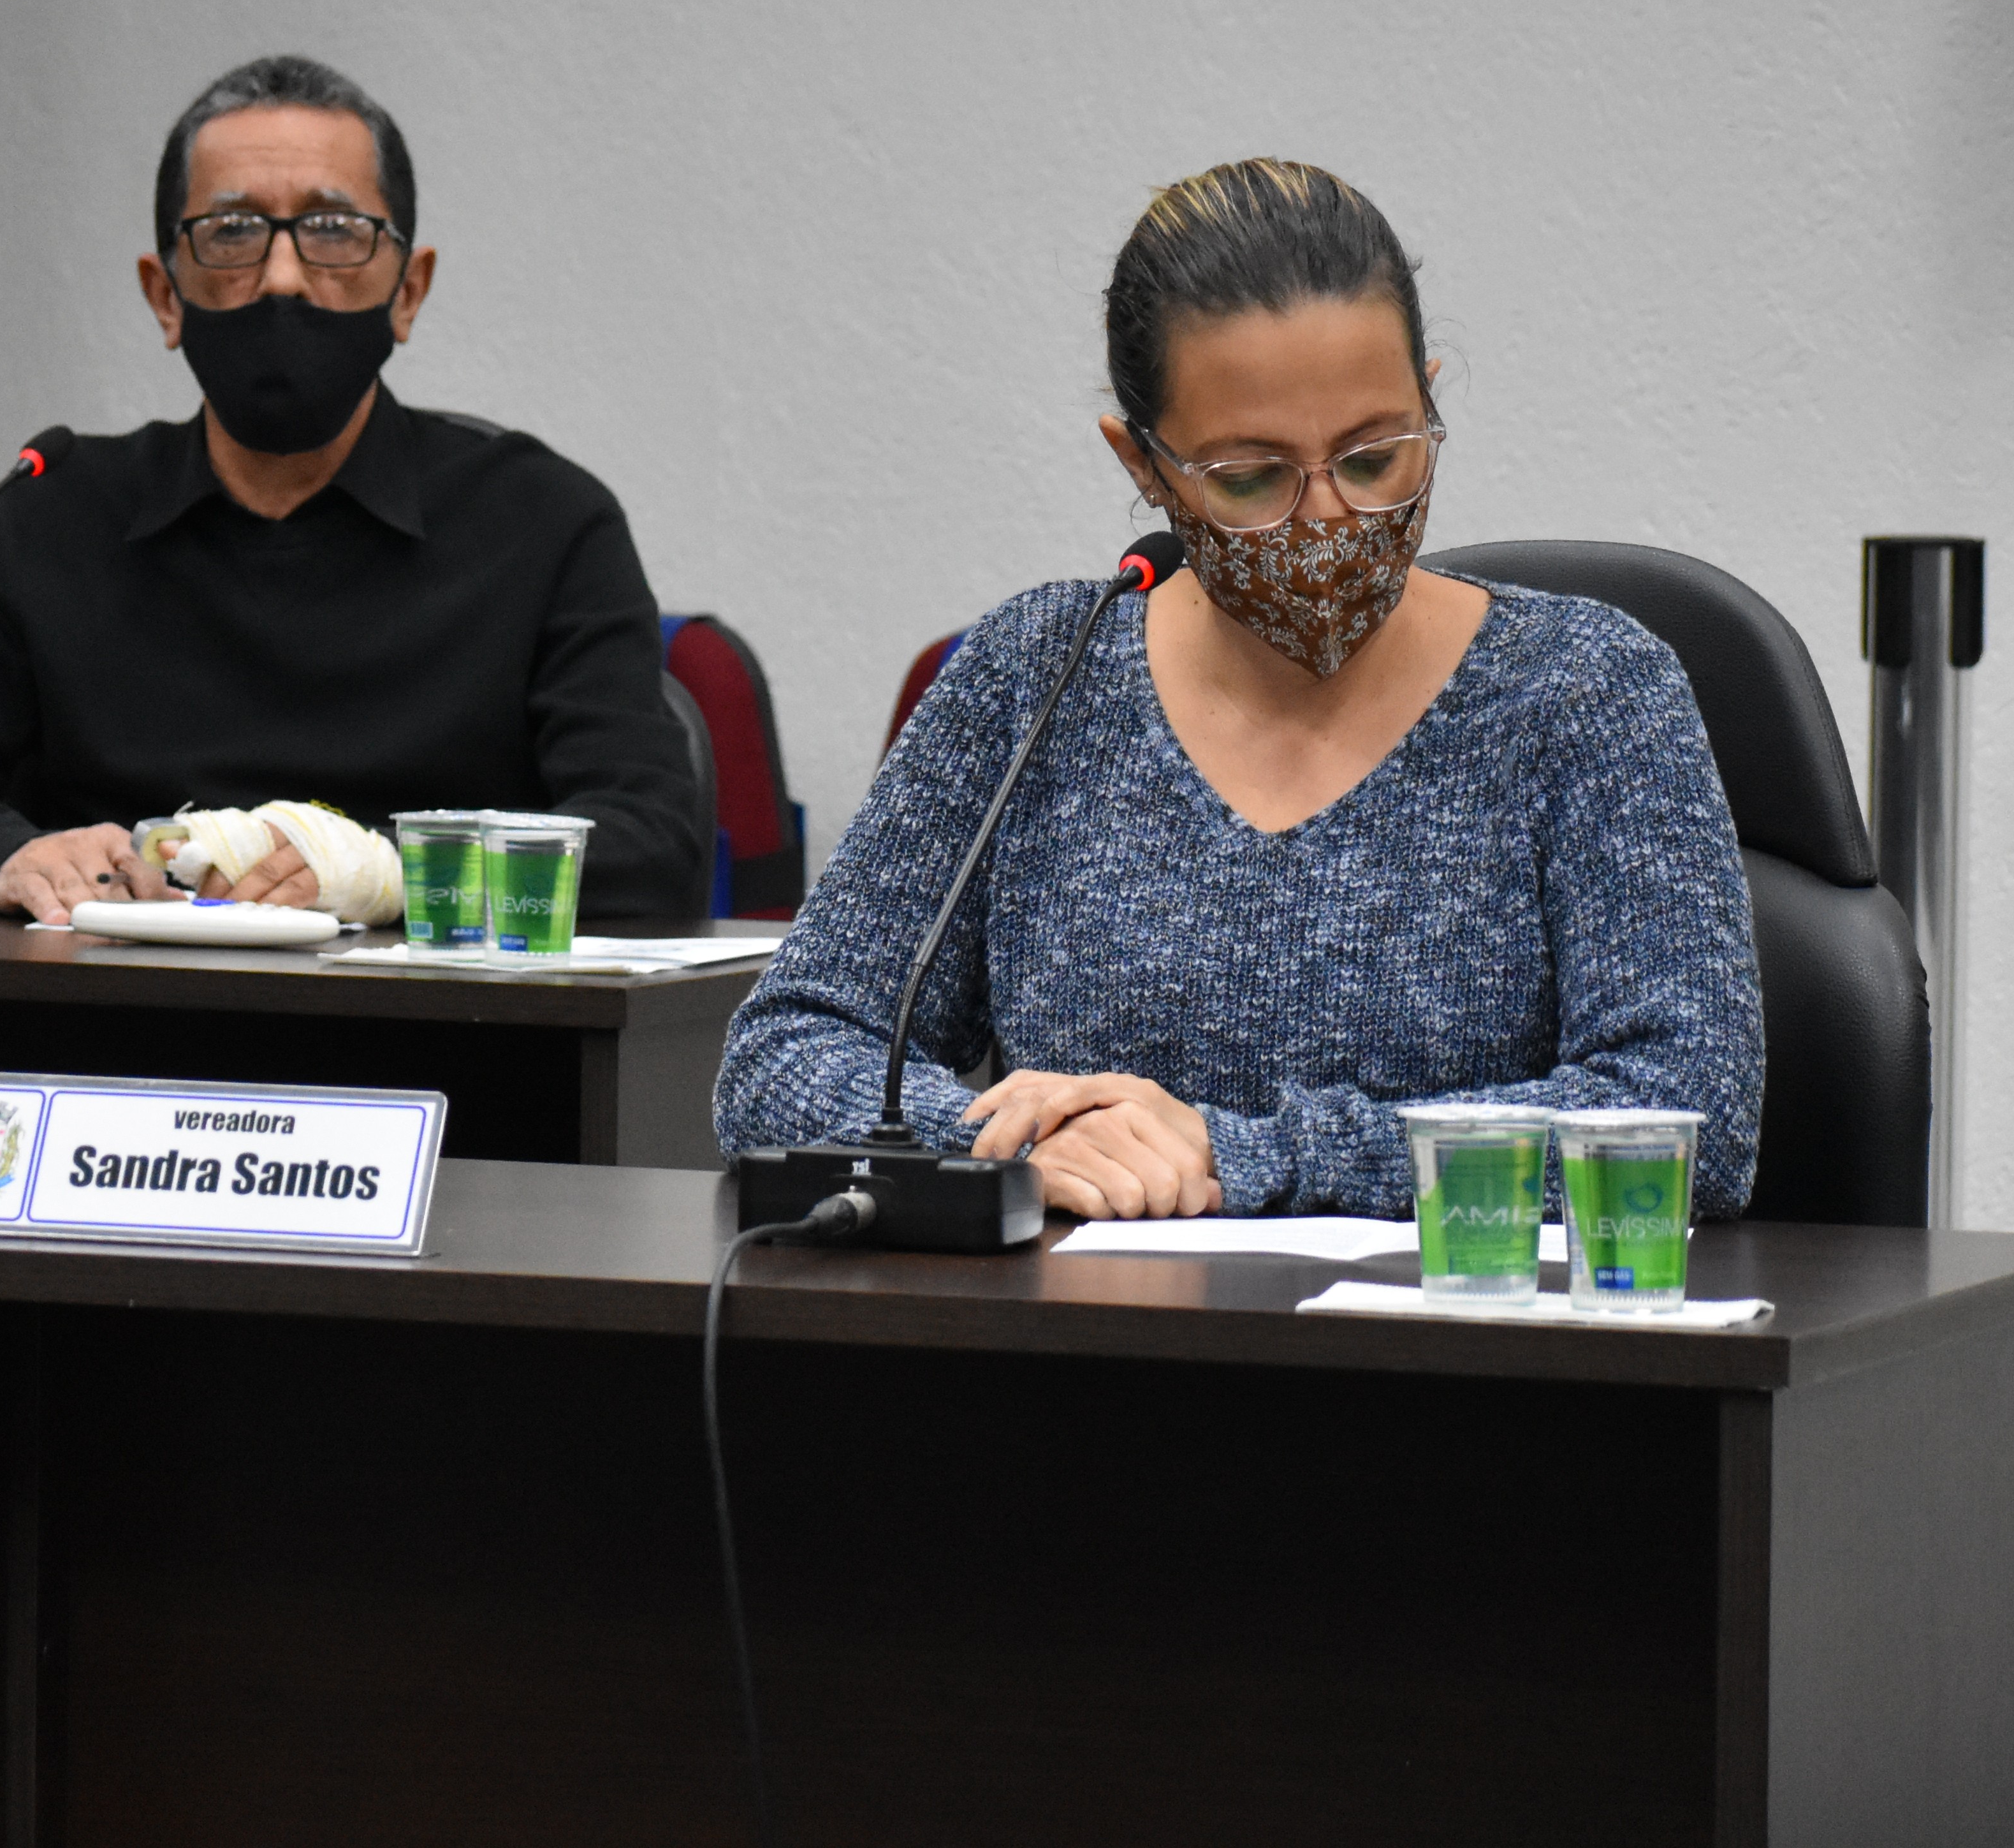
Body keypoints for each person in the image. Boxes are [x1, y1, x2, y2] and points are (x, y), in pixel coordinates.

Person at [715, 160, 1762, 1221]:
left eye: (1375, 457)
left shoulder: (1586, 690)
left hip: (1466, 1325)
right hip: (1086, 1320)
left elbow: (1692, 1118)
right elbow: (783, 1054)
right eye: (1252, 477)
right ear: (1144, 465)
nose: (1328, 517)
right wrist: (1016, 1147)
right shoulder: (1036, 675)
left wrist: (1241, 1154)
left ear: (1430, 399)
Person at [0, 54, 709, 925]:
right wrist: (7, 855)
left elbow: (655, 842)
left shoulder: (545, 524)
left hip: (437, 1026)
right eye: (232, 233)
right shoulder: (49, 518)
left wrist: (387, 873)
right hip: (111, 1016)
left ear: (409, 291)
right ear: (165, 296)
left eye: (333, 230)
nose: (282, 278)